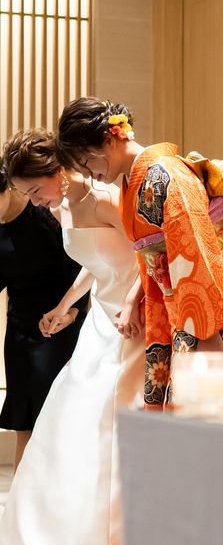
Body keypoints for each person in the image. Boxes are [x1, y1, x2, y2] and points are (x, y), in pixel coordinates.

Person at [55, 97, 223, 422]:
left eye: (87, 161)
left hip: (207, 308)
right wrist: (135, 301)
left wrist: (208, 339)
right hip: (179, 309)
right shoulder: (134, 180)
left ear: (110, 137)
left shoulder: (166, 174)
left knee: (211, 415)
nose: (90, 173)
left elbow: (194, 253)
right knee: (182, 419)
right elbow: (152, 257)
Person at [0, 128, 145, 545]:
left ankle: (119, 520)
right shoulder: (63, 207)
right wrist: (65, 305)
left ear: (56, 170)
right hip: (99, 318)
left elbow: (150, 253)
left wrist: (132, 301)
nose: (33, 201)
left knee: (113, 414)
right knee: (73, 410)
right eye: (25, 194)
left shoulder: (105, 198)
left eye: (34, 190)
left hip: (132, 317)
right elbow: (95, 264)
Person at [0, 167, 86, 471]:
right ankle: (23, 494)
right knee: (24, 421)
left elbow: (82, 267)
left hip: (60, 326)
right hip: (19, 332)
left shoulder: (44, 214)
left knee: (55, 417)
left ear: (5, 189)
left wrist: (73, 312)